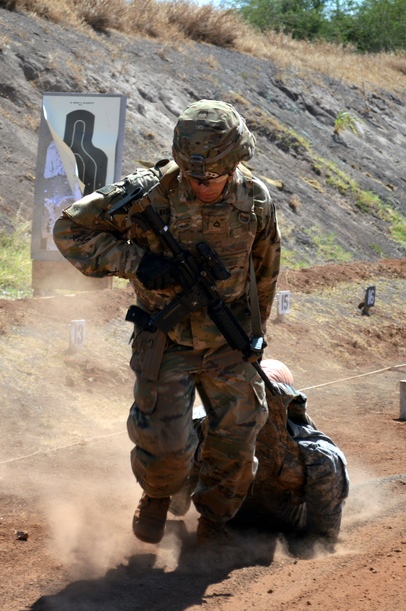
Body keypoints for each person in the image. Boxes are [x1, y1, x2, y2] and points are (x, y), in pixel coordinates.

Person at [53, 100, 281, 546]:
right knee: (166, 446)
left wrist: (255, 333)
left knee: (239, 435)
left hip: (227, 341)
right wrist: (139, 262)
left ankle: (214, 521)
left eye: (213, 177)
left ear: (235, 163)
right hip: (167, 337)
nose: (202, 184)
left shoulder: (255, 200)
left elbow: (265, 268)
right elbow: (70, 232)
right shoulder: (146, 195)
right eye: (194, 176)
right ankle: (157, 494)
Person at [181, 358, 349, 558]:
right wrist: (322, 540)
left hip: (255, 519)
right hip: (252, 519)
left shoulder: (204, 426)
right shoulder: (311, 446)